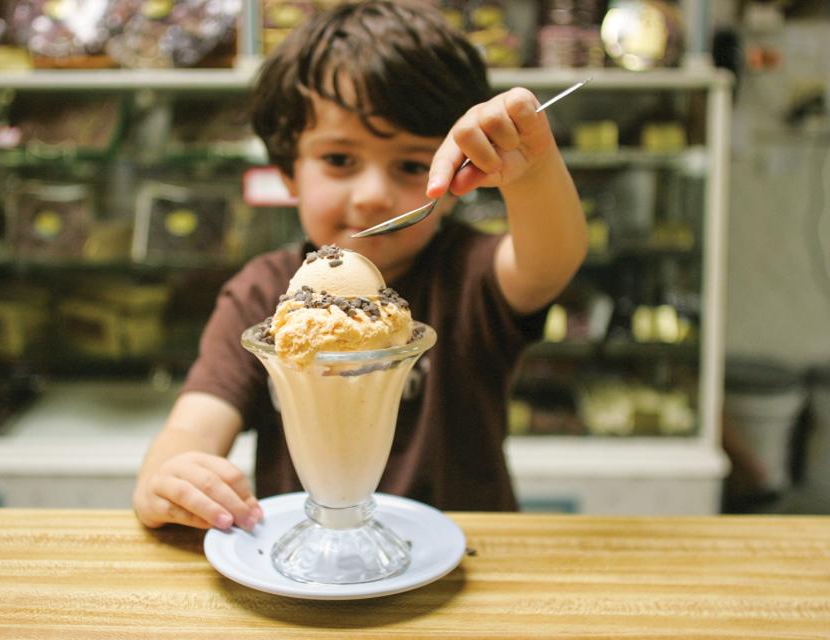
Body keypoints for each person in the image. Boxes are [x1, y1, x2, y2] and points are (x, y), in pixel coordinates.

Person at [132, 0, 587, 530]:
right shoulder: (262, 294)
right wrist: (171, 473)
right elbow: (193, 427)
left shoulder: (470, 275)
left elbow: (553, 256)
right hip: (310, 571)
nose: (373, 195)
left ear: (459, 177)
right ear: (288, 171)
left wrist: (529, 171)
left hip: (468, 559)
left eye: (413, 165)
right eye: (340, 160)